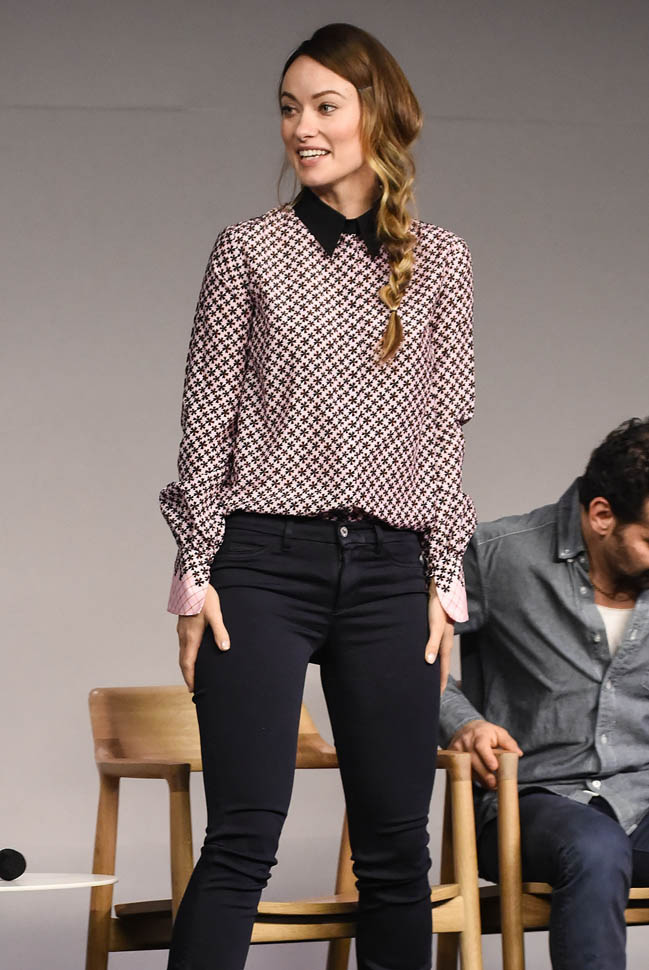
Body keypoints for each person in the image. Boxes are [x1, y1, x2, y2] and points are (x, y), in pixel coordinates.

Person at [159, 22, 476, 970]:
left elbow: (445, 432)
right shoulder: (248, 250)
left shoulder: (442, 262)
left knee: (396, 855)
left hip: (392, 575)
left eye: (324, 106)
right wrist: (194, 577)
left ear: (377, 115)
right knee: (240, 841)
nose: (301, 127)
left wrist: (443, 582)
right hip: (261, 565)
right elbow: (206, 423)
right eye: (288, 108)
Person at [439, 416, 649, 970]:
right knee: (595, 847)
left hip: (641, 797)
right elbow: (404, 656)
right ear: (602, 515)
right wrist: (463, 723)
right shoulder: (498, 555)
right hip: (529, 800)